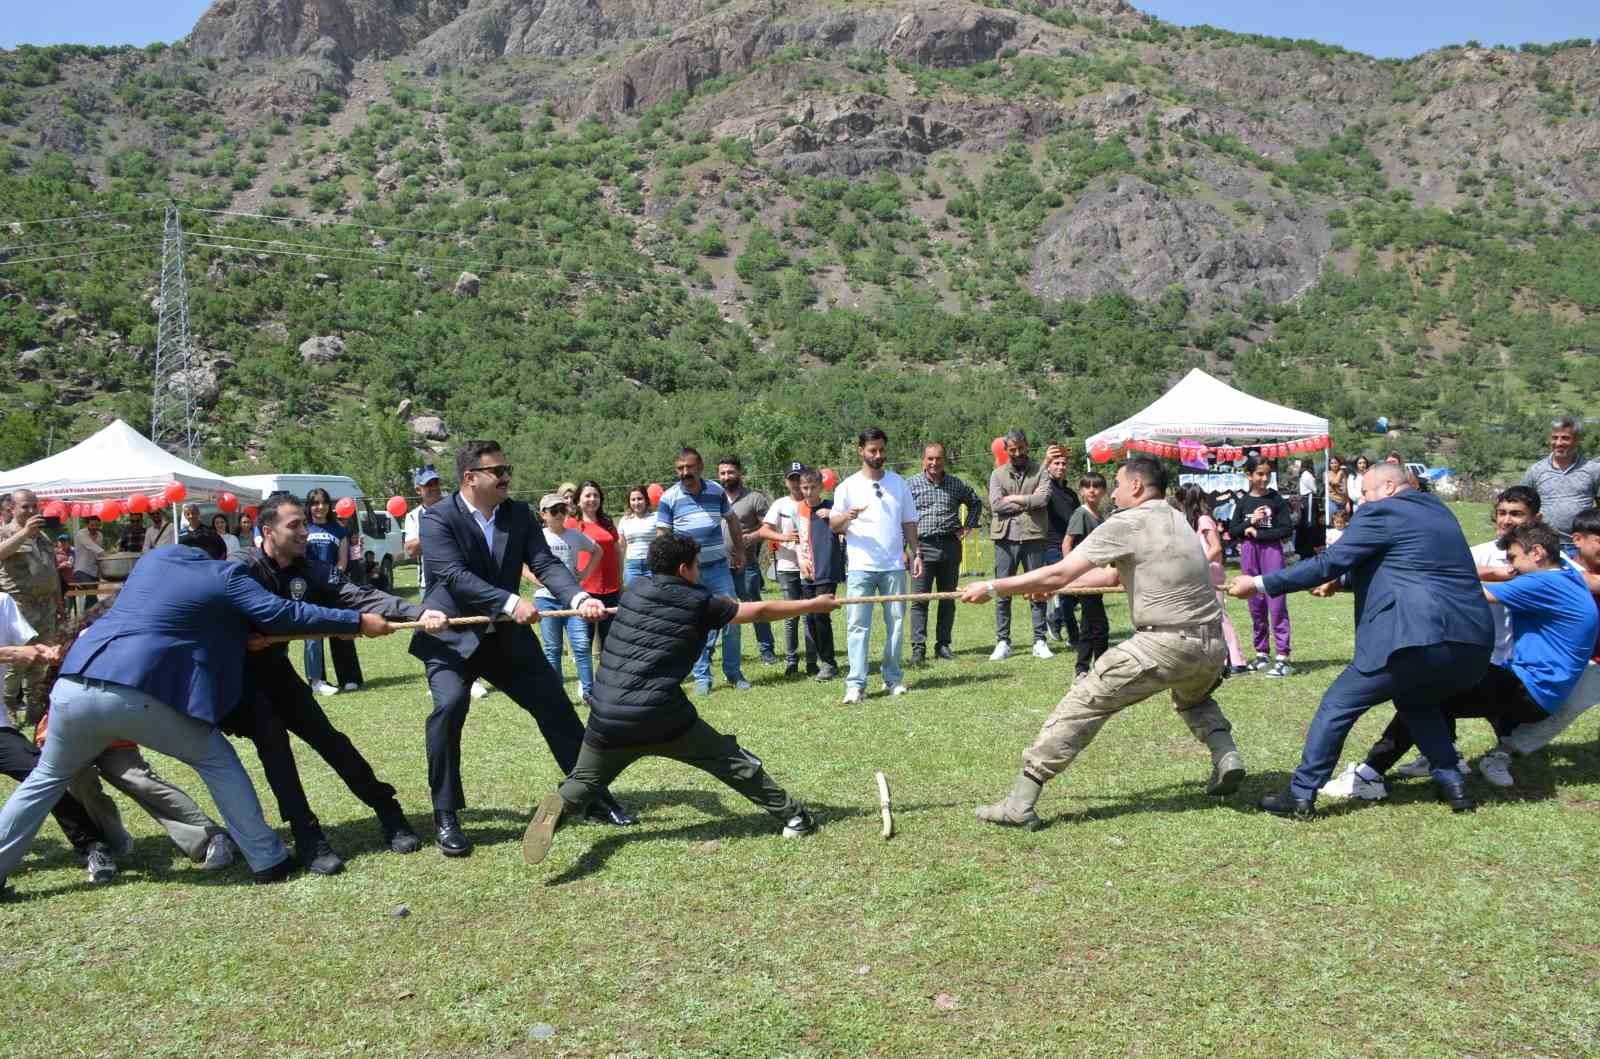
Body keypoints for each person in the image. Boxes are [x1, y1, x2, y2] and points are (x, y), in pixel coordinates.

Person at [0, 529, 389, 894]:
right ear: (219, 556)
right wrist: (355, 620)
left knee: (44, 781)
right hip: (132, 690)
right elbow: (282, 613)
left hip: (72, 686)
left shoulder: (149, 564)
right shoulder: (224, 575)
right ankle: (267, 858)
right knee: (217, 760)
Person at [521, 533, 839, 865]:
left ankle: (559, 804)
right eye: (697, 565)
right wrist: (815, 604)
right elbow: (759, 610)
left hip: (607, 712)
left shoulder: (635, 589)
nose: (699, 571)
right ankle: (795, 817)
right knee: (727, 758)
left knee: (584, 781)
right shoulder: (700, 601)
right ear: (685, 568)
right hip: (660, 715)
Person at [962, 457, 1245, 830]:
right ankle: (1226, 755)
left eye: (1118, 483)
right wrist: (1051, 588)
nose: (1113, 491)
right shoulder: (1179, 519)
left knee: (1083, 703)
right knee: (1193, 698)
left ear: (1138, 487)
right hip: (1211, 647)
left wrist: (994, 586)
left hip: (1165, 643)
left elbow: (1061, 569)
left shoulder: (1128, 521)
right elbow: (1113, 575)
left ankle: (1020, 801)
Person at [1230, 462, 1495, 817]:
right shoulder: (1439, 512)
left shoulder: (1381, 510)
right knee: (1418, 703)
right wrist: (1341, 582)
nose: (1362, 500)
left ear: (1388, 487)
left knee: (1337, 705)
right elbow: (1403, 566)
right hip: (1472, 644)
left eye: (1366, 492)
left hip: (1411, 638)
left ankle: (1301, 794)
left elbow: (1330, 561)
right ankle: (1453, 784)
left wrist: (1260, 583)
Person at [411, 440, 634, 857]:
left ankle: (591, 794)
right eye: (498, 471)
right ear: (470, 477)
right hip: (452, 636)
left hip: (508, 638)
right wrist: (511, 602)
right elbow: (452, 575)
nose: (507, 477)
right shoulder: (437, 518)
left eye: (507, 468)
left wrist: (577, 598)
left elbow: (545, 562)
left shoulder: (516, 514)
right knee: (449, 709)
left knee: (555, 705)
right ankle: (445, 814)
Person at [228, 500, 443, 874]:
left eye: (304, 525)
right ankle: (308, 837)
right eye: (294, 525)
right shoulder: (240, 570)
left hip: (278, 672)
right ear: (267, 532)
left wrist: (415, 611)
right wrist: (241, 636)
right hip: (240, 680)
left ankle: (387, 810)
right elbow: (227, 617)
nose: (304, 532)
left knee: (331, 741)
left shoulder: (310, 568)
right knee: (277, 754)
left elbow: (358, 596)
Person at [1321, 523, 1596, 802]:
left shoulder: (1543, 583)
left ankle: (1371, 774)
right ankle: (1438, 757)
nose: (1510, 567)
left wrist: (1359, 579)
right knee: (1440, 685)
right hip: (1537, 689)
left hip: (1529, 691)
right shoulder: (1566, 574)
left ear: (1537, 552)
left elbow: (1462, 591)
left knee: (1421, 696)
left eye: (1513, 558)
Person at [34, 603, 237, 873]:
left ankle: (209, 837)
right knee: (79, 780)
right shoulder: (80, 640)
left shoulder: (133, 638)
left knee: (136, 778)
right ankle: (105, 842)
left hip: (115, 726)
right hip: (73, 727)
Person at [1381, 486, 1546, 779]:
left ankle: (1491, 756)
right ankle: (1440, 754)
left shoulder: (1546, 562)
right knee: (1432, 694)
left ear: (1537, 518)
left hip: (1519, 664)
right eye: (1502, 513)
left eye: (1517, 514)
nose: (1506, 521)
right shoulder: (1474, 554)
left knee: (1439, 701)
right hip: (1478, 653)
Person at [0, 593, 120, 887]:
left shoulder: (2, 601)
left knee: (45, 774)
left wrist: (54, 652)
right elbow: (14, 652)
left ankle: (93, 845)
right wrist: (8, 653)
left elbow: (27, 648)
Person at [831, 428, 922, 704]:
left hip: (894, 566)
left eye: (882, 450)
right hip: (860, 567)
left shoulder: (898, 484)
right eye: (872, 450)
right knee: (857, 625)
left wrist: (916, 553)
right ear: (861, 451)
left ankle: (893, 678)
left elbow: (908, 522)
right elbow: (833, 524)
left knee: (896, 623)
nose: (878, 455)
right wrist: (847, 516)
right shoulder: (847, 486)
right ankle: (856, 684)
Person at [656, 447, 749, 694]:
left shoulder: (716, 491)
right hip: (687, 573)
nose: (685, 472)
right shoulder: (669, 497)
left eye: (689, 467)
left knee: (733, 618)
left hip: (719, 568)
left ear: (700, 467)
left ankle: (733, 672)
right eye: (680, 468)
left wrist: (740, 551)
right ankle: (701, 677)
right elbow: (662, 537)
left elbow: (732, 520)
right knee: (695, 624)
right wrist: (667, 572)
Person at [906, 442, 984, 665]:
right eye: (930, 458)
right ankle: (918, 649)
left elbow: (975, 503)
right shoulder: (910, 485)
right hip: (921, 547)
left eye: (938, 459)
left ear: (944, 460)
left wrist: (967, 526)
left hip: (950, 546)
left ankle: (943, 645)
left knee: (948, 598)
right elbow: (901, 517)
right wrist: (905, 548)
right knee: (919, 600)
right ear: (923, 460)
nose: (934, 463)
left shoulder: (956, 484)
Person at [986, 429, 1053, 661]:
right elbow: (996, 505)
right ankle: (1003, 641)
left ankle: (1040, 640)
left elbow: (1042, 499)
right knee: (1002, 590)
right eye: (1012, 450)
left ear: (1027, 446)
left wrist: (1013, 499)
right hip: (1005, 538)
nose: (1017, 453)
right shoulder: (996, 474)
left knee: (1037, 589)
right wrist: (1028, 502)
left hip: (1034, 536)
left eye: (1020, 448)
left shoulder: (1041, 471)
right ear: (1006, 451)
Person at [0, 490, 64, 724]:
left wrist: (59, 601)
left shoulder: (42, 536)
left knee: (42, 660)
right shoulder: (6, 533)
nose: (30, 511)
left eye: (34, 506)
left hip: (45, 605)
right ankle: (7, 708)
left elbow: (51, 570)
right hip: (18, 606)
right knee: (15, 661)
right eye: (25, 507)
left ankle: (35, 709)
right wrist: (25, 533)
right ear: (12, 509)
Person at [1227, 457, 1294, 677]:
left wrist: (1261, 533)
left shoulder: (1276, 500)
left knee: (1276, 603)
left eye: (1267, 474)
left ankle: (1283, 657)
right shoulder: (1244, 501)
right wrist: (1249, 523)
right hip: (1249, 552)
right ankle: (1262, 653)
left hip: (1271, 551)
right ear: (1249, 475)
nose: (1264, 479)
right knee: (1255, 604)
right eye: (1259, 474)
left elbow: (1286, 529)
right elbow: (1233, 530)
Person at [1174, 485, 1248, 676]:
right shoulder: (1192, 522)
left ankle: (1236, 660)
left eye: (1180, 502)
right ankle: (1214, 658)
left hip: (1211, 573)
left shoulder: (1204, 520)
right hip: (1200, 574)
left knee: (1219, 616)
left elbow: (1215, 548)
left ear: (1185, 501)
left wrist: (1199, 563)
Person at [535, 493, 601, 706]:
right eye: (554, 511)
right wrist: (534, 579)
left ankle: (589, 693)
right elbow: (519, 562)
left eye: (563, 510)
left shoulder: (575, 535)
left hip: (574, 600)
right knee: (553, 648)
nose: (560, 515)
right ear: (543, 514)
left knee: (582, 645)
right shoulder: (537, 537)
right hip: (546, 599)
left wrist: (585, 573)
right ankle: (557, 694)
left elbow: (596, 551)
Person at [717, 456, 777, 666]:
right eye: (722, 473)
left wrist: (751, 537)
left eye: (730, 472)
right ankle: (716, 656)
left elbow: (769, 527)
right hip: (718, 567)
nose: (726, 477)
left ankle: (767, 650)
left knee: (755, 608)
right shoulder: (714, 497)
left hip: (747, 565)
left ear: (740, 473)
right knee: (720, 611)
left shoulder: (754, 498)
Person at [301, 488, 361, 695]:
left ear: (329, 505)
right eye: (315, 503)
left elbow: (343, 560)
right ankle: (316, 681)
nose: (320, 507)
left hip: (334, 585)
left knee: (342, 629)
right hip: (309, 588)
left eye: (323, 502)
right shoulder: (303, 528)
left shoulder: (339, 530)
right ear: (309, 507)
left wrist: (331, 579)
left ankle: (350, 677)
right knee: (313, 634)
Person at [756, 463, 810, 676]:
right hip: (787, 566)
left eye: (799, 478)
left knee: (810, 614)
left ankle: (812, 660)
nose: (796, 483)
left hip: (809, 566)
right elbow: (764, 531)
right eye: (792, 478)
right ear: (786, 481)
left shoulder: (811, 501)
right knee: (791, 615)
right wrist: (784, 537)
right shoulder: (780, 504)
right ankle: (791, 660)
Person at [1522, 416, 1600, 553]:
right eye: (1554, 437)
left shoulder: (1593, 470)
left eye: (1565, 438)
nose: (1558, 443)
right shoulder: (1536, 470)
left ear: (1578, 440)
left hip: (1581, 545)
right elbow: (1523, 505)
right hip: (1544, 545)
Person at [795, 467, 841, 681]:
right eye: (805, 487)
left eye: (813, 487)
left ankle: (829, 663)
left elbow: (847, 526)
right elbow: (796, 539)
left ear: (821, 487)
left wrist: (833, 515)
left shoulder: (831, 507)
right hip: (807, 571)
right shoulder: (798, 510)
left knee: (821, 616)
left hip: (827, 570)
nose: (808, 491)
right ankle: (821, 661)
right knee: (811, 618)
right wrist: (800, 560)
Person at [1064, 472, 1110, 677]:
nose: (1092, 490)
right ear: (1081, 491)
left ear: (1104, 491)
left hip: (1097, 575)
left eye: (1097, 486)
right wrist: (1070, 574)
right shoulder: (1080, 514)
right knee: (1098, 624)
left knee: (1090, 623)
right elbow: (1067, 543)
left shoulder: (1100, 516)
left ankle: (1086, 667)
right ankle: (1097, 667)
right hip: (1084, 577)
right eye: (1087, 486)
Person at [575, 481, 624, 659]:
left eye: (596, 495)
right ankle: (585, 684)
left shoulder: (608, 523)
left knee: (610, 640)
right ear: (578, 500)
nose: (592, 499)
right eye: (587, 495)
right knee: (584, 641)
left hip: (611, 587)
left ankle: (608, 681)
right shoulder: (572, 524)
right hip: (585, 589)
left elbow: (617, 551)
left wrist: (620, 580)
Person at [1041, 444, 1082, 648]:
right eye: (1056, 463)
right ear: (1049, 466)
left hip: (1072, 546)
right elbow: (1037, 485)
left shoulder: (1071, 494)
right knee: (1067, 589)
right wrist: (1044, 462)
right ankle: (1074, 635)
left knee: (1081, 589)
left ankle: (1056, 618)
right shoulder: (1045, 490)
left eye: (1064, 463)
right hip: (1051, 546)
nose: (1060, 466)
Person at [617, 486, 656, 586]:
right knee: (633, 597)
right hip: (632, 567)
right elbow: (621, 547)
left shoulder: (656, 517)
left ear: (646, 500)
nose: (636, 502)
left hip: (652, 564)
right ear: (629, 502)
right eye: (633, 499)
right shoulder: (624, 520)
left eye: (640, 499)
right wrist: (620, 570)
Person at [1327, 454, 1350, 519]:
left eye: (1336, 463)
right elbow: (1335, 482)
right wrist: (1340, 472)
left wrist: (1347, 502)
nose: (1334, 465)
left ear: (1339, 463)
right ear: (1329, 464)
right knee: (1334, 521)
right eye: (1332, 463)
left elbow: (1346, 488)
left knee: (1343, 522)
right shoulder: (1327, 474)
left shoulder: (1343, 474)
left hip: (1343, 502)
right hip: (1333, 502)